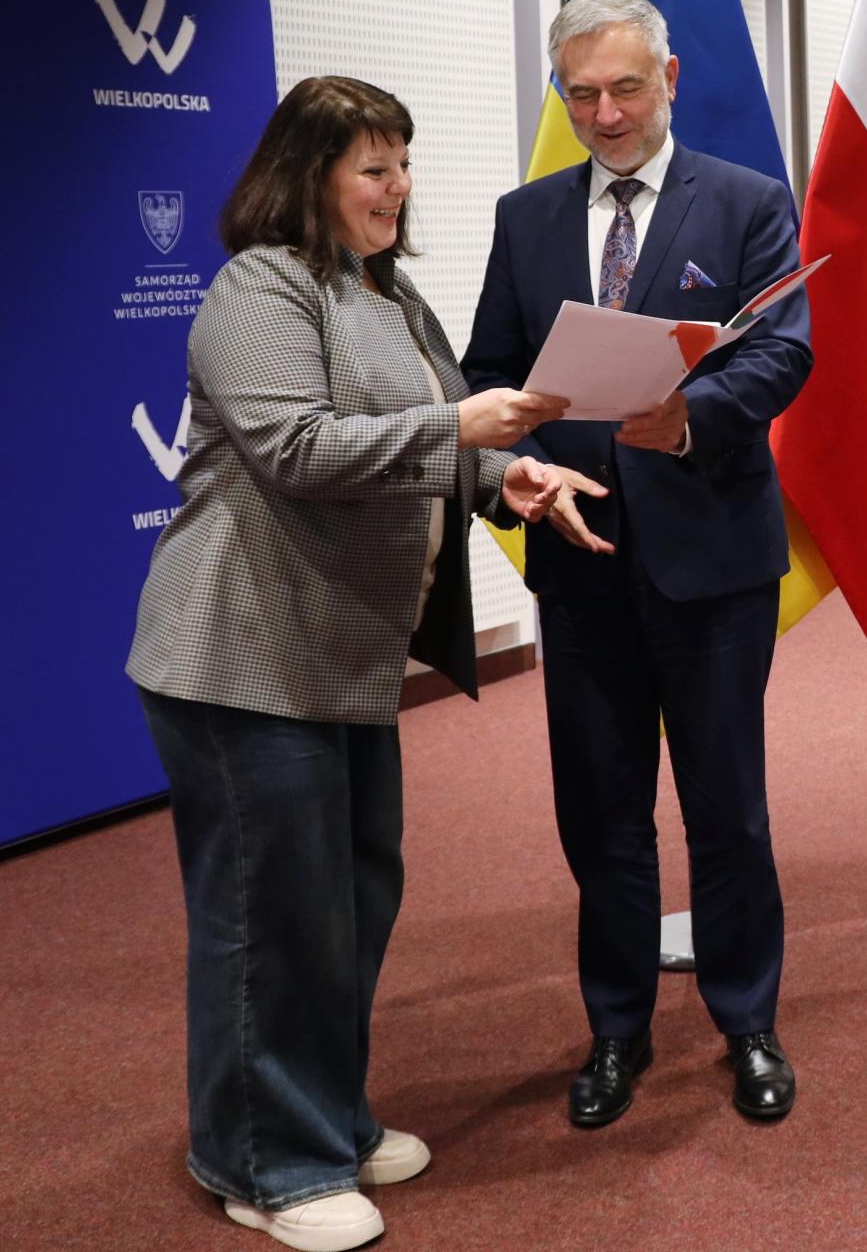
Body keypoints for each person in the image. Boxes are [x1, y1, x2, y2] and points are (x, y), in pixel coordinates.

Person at [126, 76, 567, 1252]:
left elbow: (428, 431)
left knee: (351, 900)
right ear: (308, 176)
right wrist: (463, 430)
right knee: (271, 916)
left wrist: (502, 476)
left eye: (403, 164)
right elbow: (298, 447)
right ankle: (262, 1162)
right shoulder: (258, 286)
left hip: (341, 659)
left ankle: (325, 1117)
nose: (398, 187)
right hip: (240, 658)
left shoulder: (385, 288)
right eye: (375, 168)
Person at [462, 0, 813, 1124]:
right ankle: (616, 1029)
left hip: (712, 557)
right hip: (579, 558)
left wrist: (694, 417)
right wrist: (522, 459)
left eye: (624, 88)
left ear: (670, 79)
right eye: (581, 95)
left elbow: (784, 354)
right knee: (601, 810)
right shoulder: (526, 217)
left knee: (728, 808)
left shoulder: (749, 201)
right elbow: (487, 369)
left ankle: (747, 1020)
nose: (605, 115)